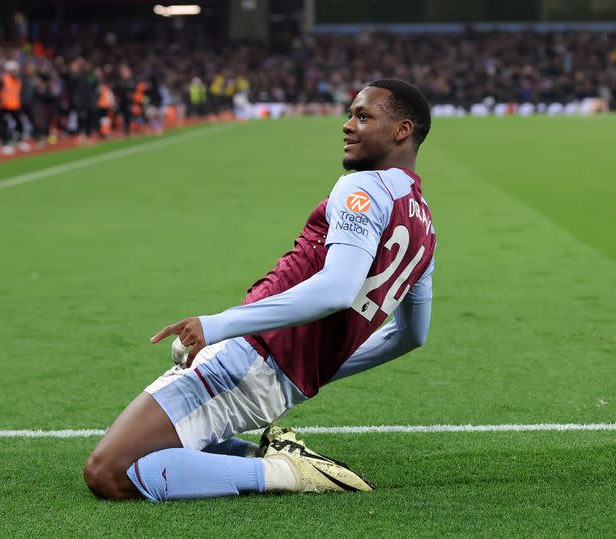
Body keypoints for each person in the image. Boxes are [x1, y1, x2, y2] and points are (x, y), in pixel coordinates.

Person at [83, 79, 436, 502]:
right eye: (350, 114)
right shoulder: (426, 230)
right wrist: (320, 367)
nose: (347, 125)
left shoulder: (364, 187)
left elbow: (337, 290)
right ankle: (274, 456)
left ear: (402, 130)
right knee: (151, 449)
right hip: (280, 378)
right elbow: (410, 336)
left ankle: (286, 471)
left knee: (108, 472)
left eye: (363, 116)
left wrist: (217, 326)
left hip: (252, 355)